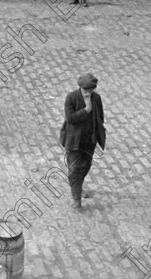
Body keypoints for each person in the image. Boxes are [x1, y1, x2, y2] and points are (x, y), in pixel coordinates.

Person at [60, 73, 106, 210]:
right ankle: (76, 198)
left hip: (89, 141)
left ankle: (79, 187)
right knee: (74, 169)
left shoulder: (96, 98)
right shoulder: (71, 98)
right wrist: (86, 110)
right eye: (85, 90)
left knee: (85, 166)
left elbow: (100, 117)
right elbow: (70, 118)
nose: (88, 93)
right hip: (73, 141)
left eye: (90, 91)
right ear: (80, 88)